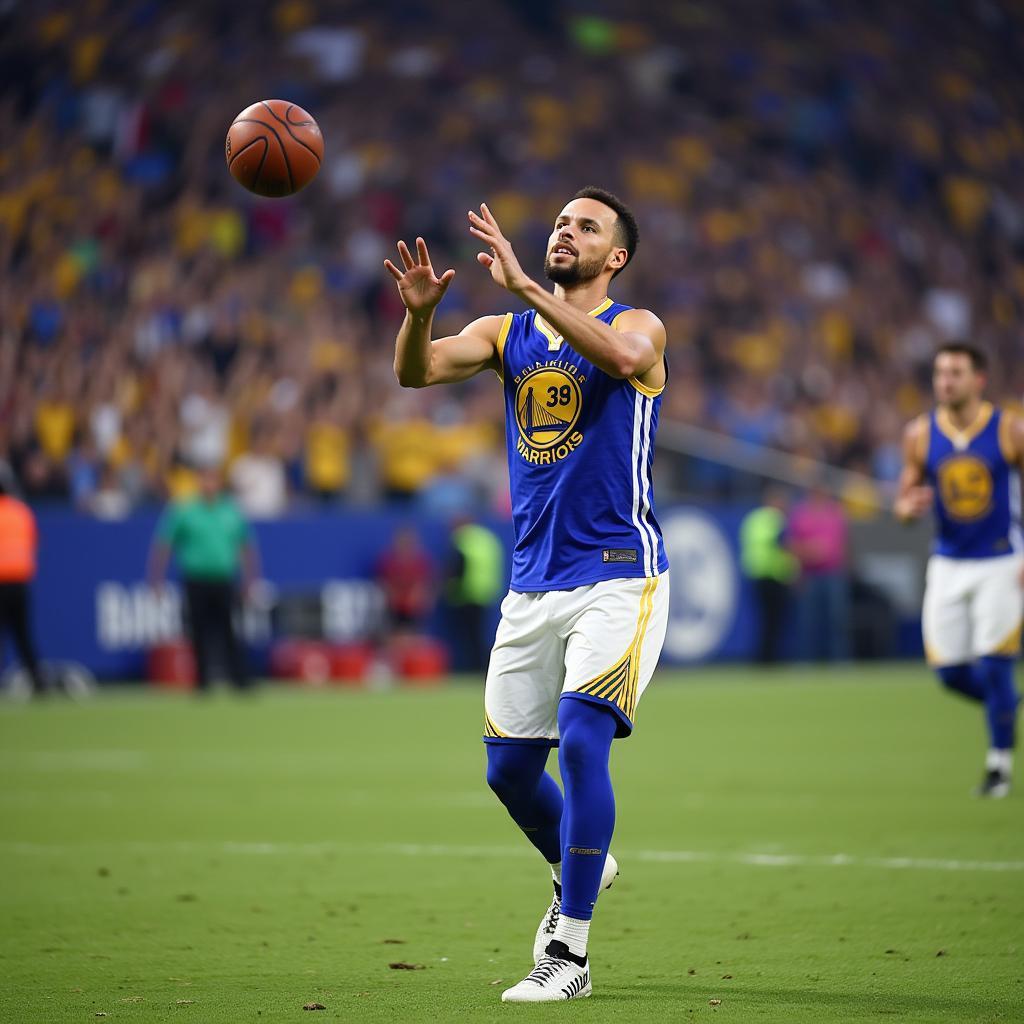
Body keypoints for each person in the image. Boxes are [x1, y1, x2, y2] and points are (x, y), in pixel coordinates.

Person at [386, 187, 669, 1003]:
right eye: (559, 224)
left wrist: (526, 289)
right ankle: (583, 860)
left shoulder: (639, 325)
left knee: (583, 741)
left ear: (614, 257)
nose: (564, 233)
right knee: (509, 773)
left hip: (620, 572)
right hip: (533, 581)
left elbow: (620, 363)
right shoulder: (505, 333)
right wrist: (416, 316)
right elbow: (417, 374)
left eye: (586, 228)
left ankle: (570, 954)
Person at [895, 343, 1023, 798]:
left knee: (994, 664)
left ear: (979, 379)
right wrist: (908, 508)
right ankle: (1008, 706)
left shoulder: (1009, 429)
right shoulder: (920, 434)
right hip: (948, 561)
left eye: (956, 372)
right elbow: (904, 500)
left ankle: (998, 766)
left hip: (1000, 560)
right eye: (940, 373)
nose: (945, 381)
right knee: (948, 671)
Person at [148, 464, 259, 692]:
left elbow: (246, 547)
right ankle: (203, 681)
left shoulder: (231, 511)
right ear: (198, 481)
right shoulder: (184, 511)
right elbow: (164, 545)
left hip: (224, 578)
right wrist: (156, 579)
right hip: (196, 579)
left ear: (219, 482)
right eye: (205, 479)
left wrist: (251, 580)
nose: (209, 484)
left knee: (229, 629)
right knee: (198, 631)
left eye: (213, 479)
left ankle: (238, 679)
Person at [788, 480, 850, 661]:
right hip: (809, 575)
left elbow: (842, 544)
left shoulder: (835, 512)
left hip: (833, 573)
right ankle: (806, 662)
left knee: (837, 621)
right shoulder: (801, 514)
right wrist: (810, 551)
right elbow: (792, 545)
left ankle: (840, 662)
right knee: (808, 623)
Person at [739, 486, 799, 665]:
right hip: (773, 576)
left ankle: (763, 658)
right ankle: (771, 659)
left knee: (764, 621)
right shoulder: (776, 519)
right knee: (775, 622)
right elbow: (783, 545)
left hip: (755, 574)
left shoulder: (753, 519)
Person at [0, 464, 46, 695]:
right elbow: (34, 542)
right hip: (20, 582)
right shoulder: (21, 511)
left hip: (1, 583)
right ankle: (38, 683)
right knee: (23, 635)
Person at [445, 517, 505, 671]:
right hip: (486, 593)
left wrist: (450, 587)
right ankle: (481, 666)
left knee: (468, 636)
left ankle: (474, 667)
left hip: (467, 593)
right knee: (478, 634)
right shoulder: (486, 538)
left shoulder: (464, 540)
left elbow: (459, 567)